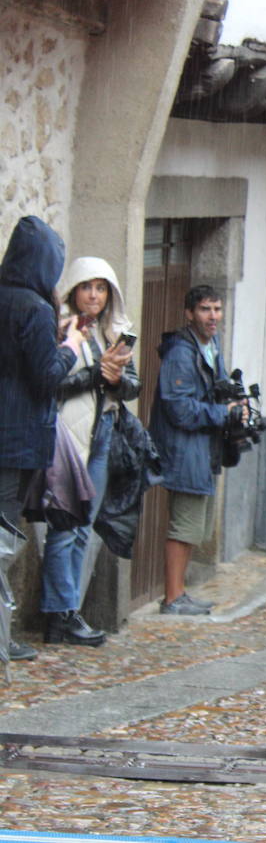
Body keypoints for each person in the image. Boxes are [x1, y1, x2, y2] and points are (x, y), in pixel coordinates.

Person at [43, 258, 140, 646]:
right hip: (70, 435)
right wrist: (96, 374)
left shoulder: (116, 330)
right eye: (87, 287)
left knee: (84, 527)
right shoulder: (61, 329)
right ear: (74, 290)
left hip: (104, 433)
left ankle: (70, 610)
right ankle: (57, 614)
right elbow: (52, 384)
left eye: (101, 288)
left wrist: (116, 380)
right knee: (65, 526)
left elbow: (132, 386)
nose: (94, 296)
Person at [0, 217, 85, 661]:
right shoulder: (34, 308)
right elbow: (46, 375)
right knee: (2, 539)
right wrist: (70, 347)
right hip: (15, 442)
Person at [150, 285, 240, 616]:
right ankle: (172, 598)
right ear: (189, 314)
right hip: (184, 449)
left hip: (204, 447)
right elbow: (178, 408)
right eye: (205, 309)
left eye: (217, 309)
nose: (213, 316)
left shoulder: (211, 346)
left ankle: (179, 593)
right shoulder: (180, 352)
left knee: (195, 528)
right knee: (184, 525)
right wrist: (222, 413)